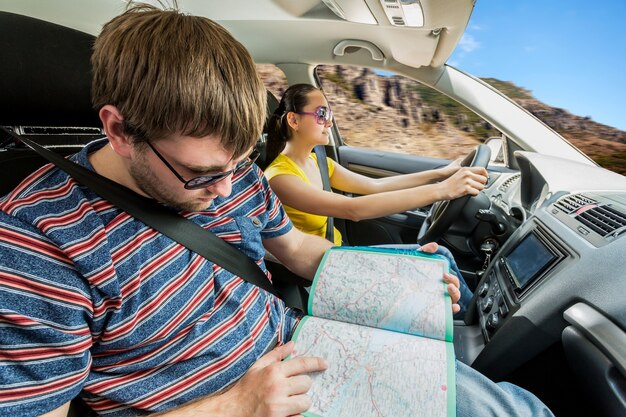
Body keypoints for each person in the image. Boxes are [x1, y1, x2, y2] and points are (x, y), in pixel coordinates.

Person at [0, 5, 553, 417]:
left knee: (515, 407)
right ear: (120, 130)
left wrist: (395, 274)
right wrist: (237, 405)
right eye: (200, 174)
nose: (225, 189)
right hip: (233, 405)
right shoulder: (35, 243)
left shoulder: (233, 172)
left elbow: (295, 249)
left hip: (300, 350)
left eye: (236, 165)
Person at [263, 83, 487, 314]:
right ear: (294, 120)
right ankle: (476, 326)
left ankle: (468, 321)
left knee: (438, 263)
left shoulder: (320, 163)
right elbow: (353, 209)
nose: (329, 121)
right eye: (322, 114)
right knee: (440, 258)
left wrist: (440, 174)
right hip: (324, 268)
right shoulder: (280, 178)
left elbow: (374, 185)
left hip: (339, 251)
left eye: (330, 114)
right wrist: (442, 190)